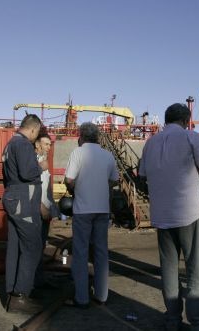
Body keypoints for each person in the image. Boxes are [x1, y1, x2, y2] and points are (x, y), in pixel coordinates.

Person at [139, 103, 199, 331]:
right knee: (195, 270)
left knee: (169, 270)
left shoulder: (150, 142)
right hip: (189, 213)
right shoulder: (192, 137)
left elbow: (142, 175)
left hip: (162, 215)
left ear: (166, 119)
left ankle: (172, 320)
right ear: (186, 120)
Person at [64, 122, 119, 308]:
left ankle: (82, 298)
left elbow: (69, 180)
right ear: (97, 137)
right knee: (101, 252)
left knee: (80, 253)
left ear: (81, 136)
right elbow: (114, 180)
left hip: (82, 210)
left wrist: (75, 189)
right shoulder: (107, 155)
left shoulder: (78, 153)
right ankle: (102, 296)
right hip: (102, 209)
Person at [1, 114, 47, 314]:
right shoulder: (24, 145)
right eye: (36, 133)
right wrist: (40, 167)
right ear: (34, 129)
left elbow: (7, 176)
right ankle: (20, 295)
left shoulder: (9, 144)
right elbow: (28, 173)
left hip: (13, 198)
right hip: (24, 202)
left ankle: (12, 292)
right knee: (33, 246)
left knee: (15, 247)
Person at [33, 131, 60, 289]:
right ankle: (34, 283)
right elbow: (32, 188)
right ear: (37, 144)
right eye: (46, 144)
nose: (49, 147)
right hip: (38, 212)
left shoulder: (43, 160)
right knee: (36, 249)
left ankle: (39, 280)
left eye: (50, 144)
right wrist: (41, 208)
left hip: (44, 212)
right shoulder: (35, 162)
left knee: (41, 247)